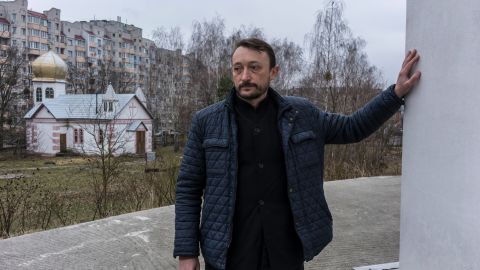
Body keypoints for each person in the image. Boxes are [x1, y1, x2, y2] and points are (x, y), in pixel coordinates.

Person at [174, 38, 421, 270]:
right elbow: (188, 187)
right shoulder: (206, 121)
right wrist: (187, 252)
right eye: (237, 69)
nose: (245, 76)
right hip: (229, 251)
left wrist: (394, 94)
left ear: (273, 72)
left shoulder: (301, 114)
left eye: (254, 67)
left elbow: (352, 128)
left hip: (285, 248)